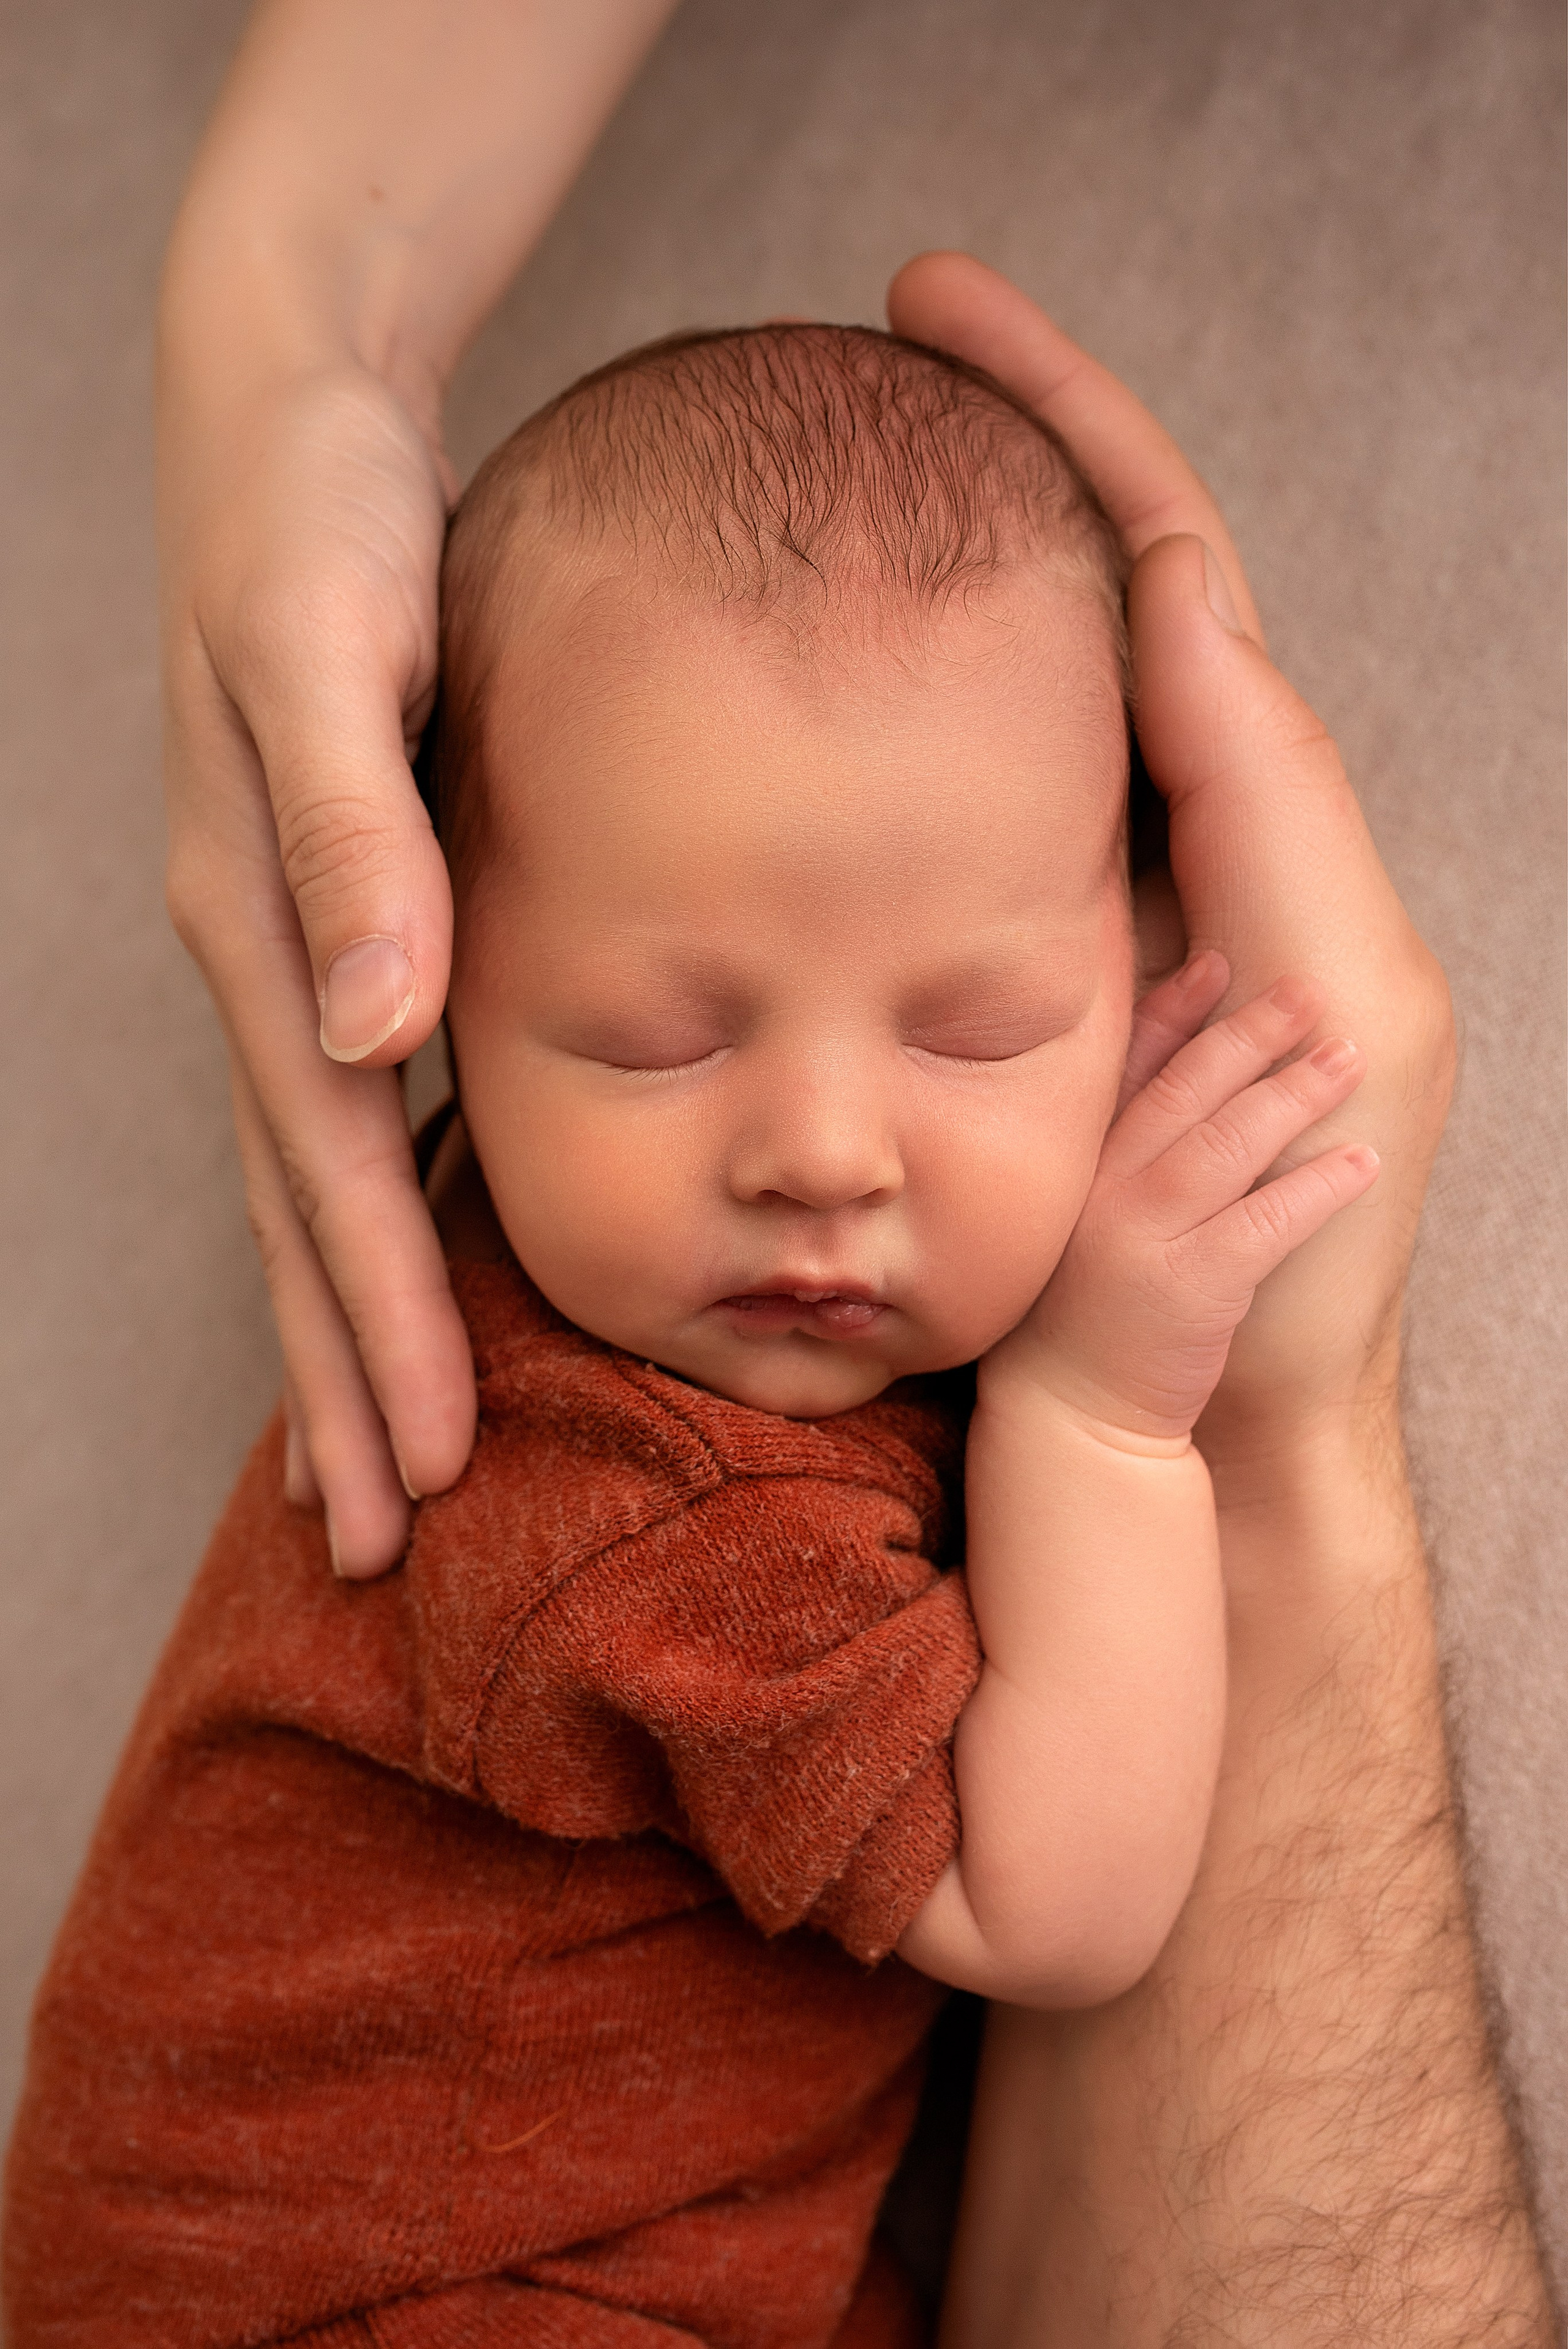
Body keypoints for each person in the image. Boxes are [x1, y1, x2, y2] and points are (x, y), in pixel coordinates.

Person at [149, 2, 1551, 2338]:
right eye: (655, 1037)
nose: (818, 1150)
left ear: (1145, 955)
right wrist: (1100, 1412)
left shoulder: (606, 1268)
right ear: (434, 988)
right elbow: (1066, 1895)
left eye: (977, 1031)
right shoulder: (640, 1514)